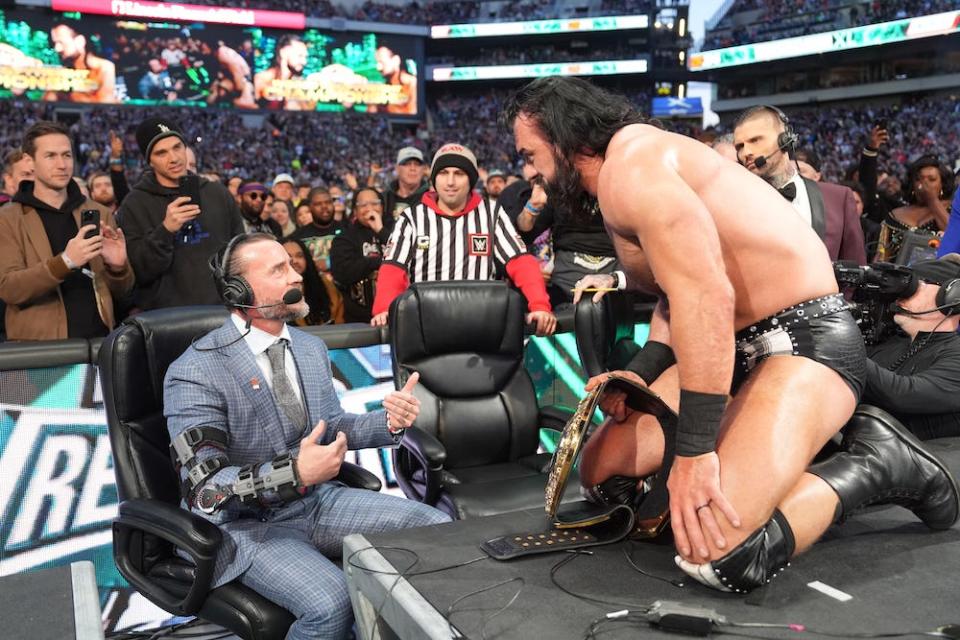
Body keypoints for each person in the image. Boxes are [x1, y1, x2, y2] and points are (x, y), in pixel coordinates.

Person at [504, 77, 958, 594]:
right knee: (606, 479)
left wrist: (696, 454)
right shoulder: (626, 170)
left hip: (804, 341)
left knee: (719, 555)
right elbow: (679, 295)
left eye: (531, 153)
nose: (531, 170)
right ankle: (770, 453)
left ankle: (878, 461)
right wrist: (644, 372)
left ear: (562, 136)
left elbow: (706, 298)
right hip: (734, 350)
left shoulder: (631, 166)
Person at [164, 232, 449, 640]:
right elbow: (205, 488)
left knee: (438, 529)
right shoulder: (196, 370)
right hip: (244, 525)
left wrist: (388, 422)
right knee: (332, 603)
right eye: (278, 269)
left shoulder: (309, 347)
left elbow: (331, 426)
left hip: (317, 502)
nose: (295, 273)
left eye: (291, 264)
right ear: (239, 290)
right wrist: (295, 472)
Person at [371, 143, 557, 336]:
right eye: (443, 173)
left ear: (471, 179)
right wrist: (384, 309)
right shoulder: (412, 218)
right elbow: (393, 268)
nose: (450, 182)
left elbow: (521, 262)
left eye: (459, 173)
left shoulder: (491, 213)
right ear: (434, 179)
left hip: (481, 325)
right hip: (426, 325)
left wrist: (540, 305)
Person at [0, 121, 133, 340]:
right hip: (41, 353)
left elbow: (122, 293)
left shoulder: (98, 212)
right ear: (29, 161)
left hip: (98, 346)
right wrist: (66, 262)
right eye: (50, 156)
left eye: (67, 155)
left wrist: (118, 268)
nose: (62, 164)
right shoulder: (8, 218)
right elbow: (9, 289)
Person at [117, 117, 243, 310]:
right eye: (161, 153)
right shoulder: (134, 204)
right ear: (149, 161)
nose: (174, 158)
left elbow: (239, 252)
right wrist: (165, 230)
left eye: (177, 147)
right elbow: (138, 272)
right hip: (166, 319)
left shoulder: (217, 193)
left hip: (221, 311)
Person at [733, 105, 866, 265]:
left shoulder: (838, 198)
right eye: (739, 146)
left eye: (755, 140)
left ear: (785, 139)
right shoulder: (736, 207)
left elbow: (857, 268)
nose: (746, 153)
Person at [862, 254, 960, 440]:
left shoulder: (956, 354)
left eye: (916, 284)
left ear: (952, 298)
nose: (902, 292)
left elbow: (903, 394)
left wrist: (841, 345)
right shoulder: (891, 342)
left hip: (903, 463)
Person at [875, 156, 953, 263]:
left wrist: (932, 200)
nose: (924, 184)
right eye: (918, 179)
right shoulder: (894, 216)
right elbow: (881, 256)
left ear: (942, 185)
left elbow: (953, 236)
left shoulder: (953, 209)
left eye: (932, 179)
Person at [330, 188, 391, 323]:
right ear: (355, 211)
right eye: (363, 205)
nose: (370, 208)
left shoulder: (395, 231)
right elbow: (342, 272)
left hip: (394, 314)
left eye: (375, 203)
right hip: (358, 319)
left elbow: (406, 256)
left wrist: (381, 231)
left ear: (382, 207)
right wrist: (377, 263)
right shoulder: (344, 238)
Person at [48, 23, 117, 103]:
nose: (57, 49)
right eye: (55, 43)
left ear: (80, 42)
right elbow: (45, 104)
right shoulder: (63, 71)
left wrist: (73, 95)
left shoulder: (104, 67)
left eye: (61, 43)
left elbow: (105, 104)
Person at [282, 237, 335, 325]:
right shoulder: (273, 292)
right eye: (288, 257)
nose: (294, 261)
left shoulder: (325, 285)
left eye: (299, 256)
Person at [384, 147, 429, 221]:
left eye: (417, 164)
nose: (413, 168)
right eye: (407, 164)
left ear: (423, 169)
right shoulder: (385, 198)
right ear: (397, 169)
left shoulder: (433, 198)